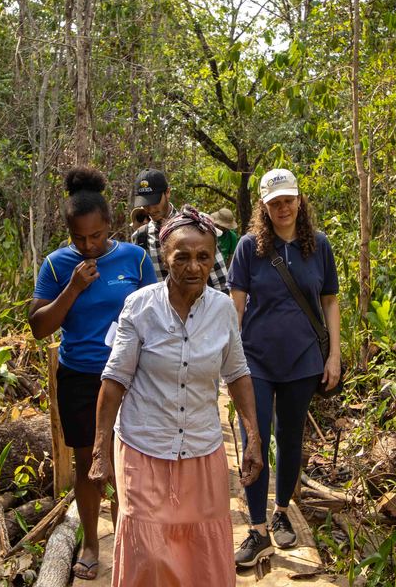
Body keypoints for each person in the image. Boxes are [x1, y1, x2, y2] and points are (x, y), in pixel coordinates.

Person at [89, 205, 263, 587]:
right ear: (165, 258)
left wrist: (253, 437)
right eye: (182, 257)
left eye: (203, 257)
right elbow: (115, 380)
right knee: (149, 555)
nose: (194, 267)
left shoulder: (222, 310)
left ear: (213, 259)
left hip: (202, 450)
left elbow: (237, 374)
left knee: (202, 555)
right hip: (143, 448)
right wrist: (100, 450)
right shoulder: (140, 306)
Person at [28, 167, 157, 580]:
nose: (88, 245)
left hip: (131, 378)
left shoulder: (135, 259)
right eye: (79, 238)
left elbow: (155, 314)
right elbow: (39, 327)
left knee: (127, 460)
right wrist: (73, 288)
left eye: (96, 236)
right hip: (80, 377)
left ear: (110, 225)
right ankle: (89, 541)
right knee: (87, 462)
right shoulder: (56, 265)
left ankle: (126, 541)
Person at [227, 168, 342, 567]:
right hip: (255, 360)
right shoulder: (249, 247)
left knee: (291, 439)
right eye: (275, 203)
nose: (283, 208)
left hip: (303, 360)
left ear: (299, 201)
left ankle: (280, 513)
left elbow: (330, 301)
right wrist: (230, 359)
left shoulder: (319, 245)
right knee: (254, 438)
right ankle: (257, 529)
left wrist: (334, 355)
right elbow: (235, 306)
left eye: (288, 200)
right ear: (264, 206)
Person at [131, 168, 229, 292]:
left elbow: (221, 282)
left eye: (154, 202)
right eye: (145, 204)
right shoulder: (141, 238)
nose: (150, 209)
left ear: (167, 193)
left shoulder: (198, 227)